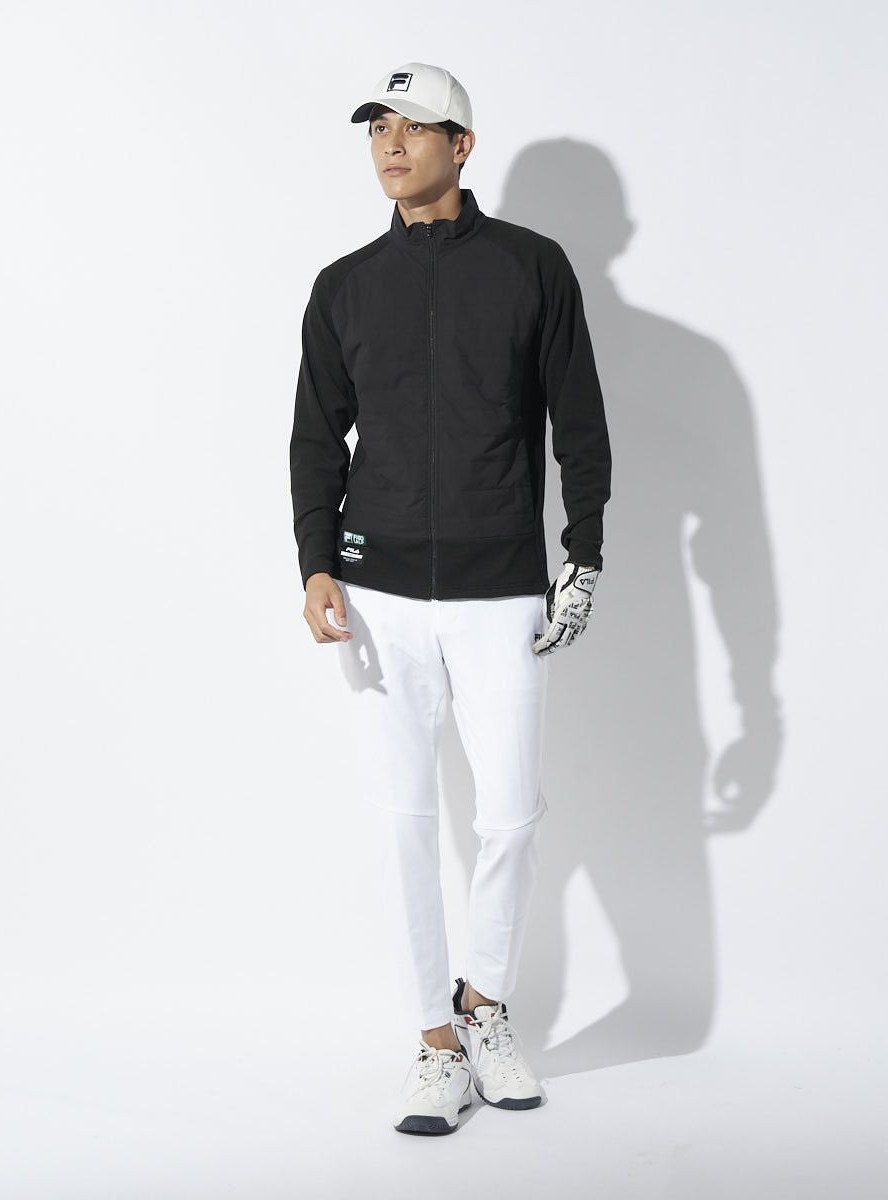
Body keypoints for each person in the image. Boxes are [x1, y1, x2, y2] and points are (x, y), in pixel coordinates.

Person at [289, 62, 612, 1136]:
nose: (390, 144)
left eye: (413, 127)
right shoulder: (344, 285)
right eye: (377, 128)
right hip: (376, 592)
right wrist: (316, 563)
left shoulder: (531, 267)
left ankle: (486, 1006)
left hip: (498, 585)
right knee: (406, 822)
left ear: (461, 146)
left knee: (511, 814)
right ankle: (435, 1042)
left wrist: (584, 553)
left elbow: (579, 421)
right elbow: (314, 436)